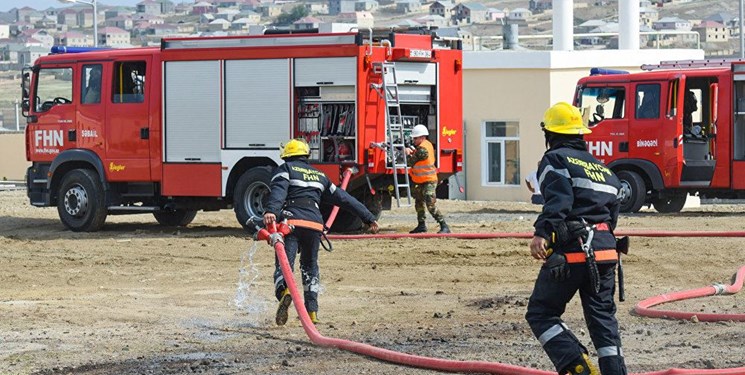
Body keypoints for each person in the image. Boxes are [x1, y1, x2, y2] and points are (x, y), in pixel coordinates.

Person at [525, 102, 627, 375]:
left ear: (550, 133)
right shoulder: (605, 171)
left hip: (573, 252)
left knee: (541, 312)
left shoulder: (555, 159)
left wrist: (542, 233)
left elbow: (559, 201)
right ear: (580, 134)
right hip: (606, 253)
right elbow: (612, 218)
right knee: (603, 321)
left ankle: (578, 368)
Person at [263, 138, 380, 326]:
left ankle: (284, 292)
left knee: (284, 264)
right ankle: (312, 312)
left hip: (290, 223)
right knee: (310, 267)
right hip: (314, 226)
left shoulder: (285, 170)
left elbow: (278, 192)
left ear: (287, 155)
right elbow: (344, 198)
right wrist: (368, 217)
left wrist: (271, 211)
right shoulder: (319, 176)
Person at [405, 124, 450, 234]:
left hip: (428, 180)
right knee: (419, 203)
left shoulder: (423, 149)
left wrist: (407, 154)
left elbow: (411, 162)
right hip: (421, 181)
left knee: (430, 204)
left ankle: (444, 226)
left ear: (422, 137)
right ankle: (421, 226)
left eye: (415, 138)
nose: (414, 140)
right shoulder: (425, 146)